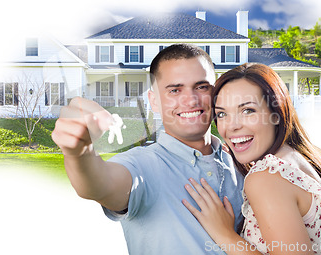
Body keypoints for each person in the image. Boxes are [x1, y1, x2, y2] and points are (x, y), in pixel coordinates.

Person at [51, 44, 245, 254]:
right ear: (154, 101)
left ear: (216, 93)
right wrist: (79, 152)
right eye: (175, 90)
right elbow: (99, 185)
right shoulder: (141, 165)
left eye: (201, 87)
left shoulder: (240, 161)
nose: (190, 100)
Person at [182, 63, 321, 254]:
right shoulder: (307, 160)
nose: (231, 127)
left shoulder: (267, 177)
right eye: (222, 114)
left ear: (276, 115)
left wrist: (225, 235)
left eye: (248, 110)